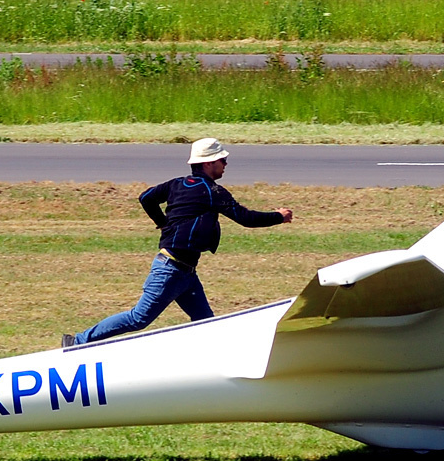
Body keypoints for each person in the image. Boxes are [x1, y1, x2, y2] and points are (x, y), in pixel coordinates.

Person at [64, 138, 293, 346]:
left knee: (206, 323)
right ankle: (78, 342)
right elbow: (246, 218)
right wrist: (279, 216)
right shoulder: (212, 191)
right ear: (208, 163)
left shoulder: (176, 184)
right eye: (222, 159)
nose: (225, 163)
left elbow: (147, 198)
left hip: (186, 273)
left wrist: (162, 222)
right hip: (171, 270)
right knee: (139, 318)